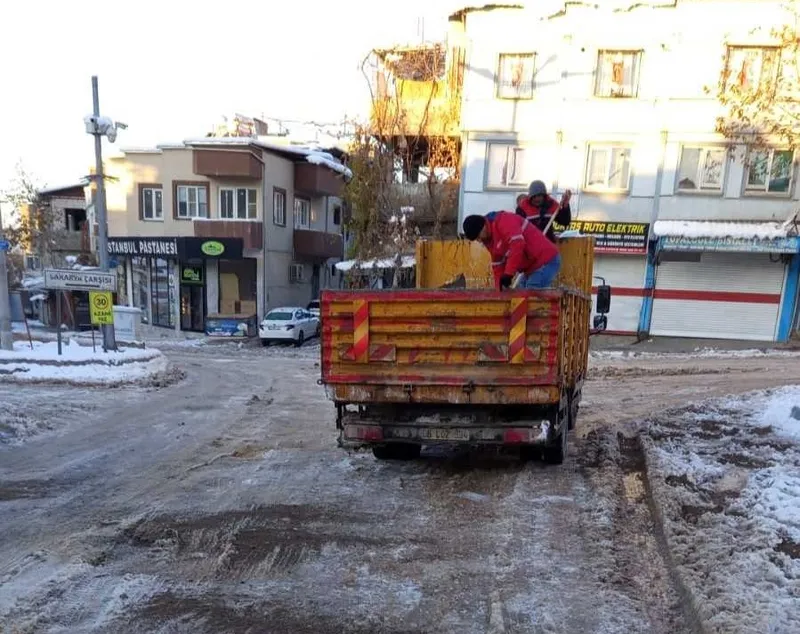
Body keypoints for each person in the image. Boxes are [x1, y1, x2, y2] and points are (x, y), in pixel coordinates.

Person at [462, 211, 561, 290]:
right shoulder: (488, 240)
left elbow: (517, 245)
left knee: (529, 297)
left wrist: (508, 274)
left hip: (546, 260)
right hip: (531, 267)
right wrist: (500, 288)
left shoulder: (503, 220)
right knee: (518, 296)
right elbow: (497, 264)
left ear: (482, 227)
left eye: (478, 236)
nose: (479, 240)